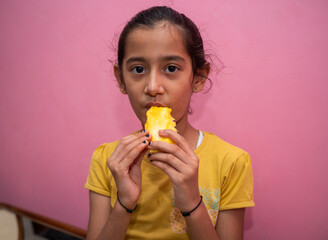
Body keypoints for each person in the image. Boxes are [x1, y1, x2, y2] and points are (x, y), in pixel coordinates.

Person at [85, 6, 254, 240]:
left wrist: (192, 202)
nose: (153, 86)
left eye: (171, 68)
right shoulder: (107, 160)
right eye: (138, 69)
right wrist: (124, 204)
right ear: (120, 79)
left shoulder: (231, 162)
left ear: (198, 77)